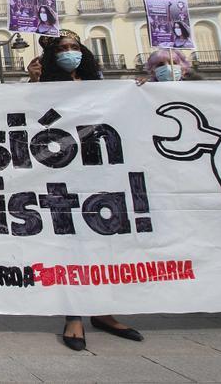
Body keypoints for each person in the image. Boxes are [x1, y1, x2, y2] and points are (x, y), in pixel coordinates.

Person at [34, 32, 143, 351]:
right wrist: (33, 84)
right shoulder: (45, 84)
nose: (69, 52)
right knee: (71, 243)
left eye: (74, 48)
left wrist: (138, 91)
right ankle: (74, 316)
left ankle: (103, 311)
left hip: (100, 169)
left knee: (103, 241)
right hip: (64, 170)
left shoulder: (100, 83)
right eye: (63, 48)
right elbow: (31, 118)